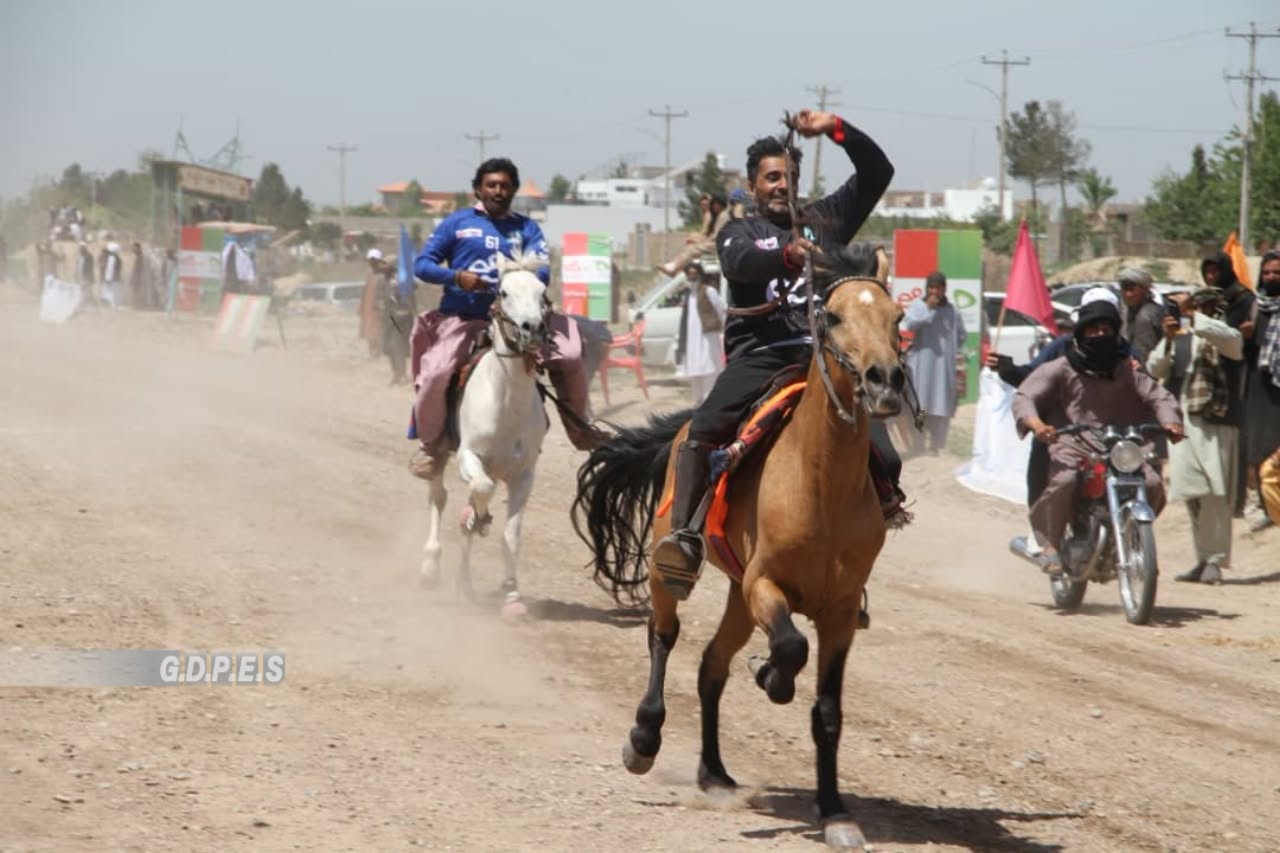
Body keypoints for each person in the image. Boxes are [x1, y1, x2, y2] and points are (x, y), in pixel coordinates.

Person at [652, 108, 896, 600]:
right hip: (760, 356)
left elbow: (878, 173)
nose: (782, 185)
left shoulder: (826, 221)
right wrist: (785, 254)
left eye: (789, 176)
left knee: (885, 454)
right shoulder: (737, 232)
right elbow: (740, 264)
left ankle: (857, 553)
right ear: (753, 183)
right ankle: (684, 539)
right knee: (701, 433)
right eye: (772, 177)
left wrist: (835, 128)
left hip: (822, 360)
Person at [409, 157, 607, 479]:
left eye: (504, 186)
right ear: (478, 189)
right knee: (437, 371)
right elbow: (423, 265)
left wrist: (517, 277)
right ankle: (431, 445)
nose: (498, 191)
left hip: (522, 316)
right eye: (491, 185)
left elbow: (542, 268)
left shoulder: (527, 228)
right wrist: (458, 277)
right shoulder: (457, 224)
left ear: (513, 190)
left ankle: (582, 429)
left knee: (570, 354)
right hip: (466, 317)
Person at [1012, 299, 1183, 571]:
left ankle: (1128, 535)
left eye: (1107, 329)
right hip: (1073, 443)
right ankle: (1049, 544)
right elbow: (1026, 395)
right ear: (1081, 333)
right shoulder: (1061, 367)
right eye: (1094, 329)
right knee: (1065, 479)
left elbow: (1158, 395)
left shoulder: (1127, 369)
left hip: (1120, 445)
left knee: (1151, 484)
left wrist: (1171, 422)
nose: (1101, 335)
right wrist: (1036, 424)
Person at [1147, 288, 1243, 584]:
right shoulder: (1183, 337)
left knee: (1215, 493)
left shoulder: (1226, 334)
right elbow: (1155, 367)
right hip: (1184, 423)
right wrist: (1169, 338)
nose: (1196, 310)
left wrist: (1193, 315)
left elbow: (1231, 343)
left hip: (1216, 422)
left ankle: (1215, 560)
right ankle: (1202, 559)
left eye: (1203, 305)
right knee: (1192, 493)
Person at [1200, 251, 1258, 517]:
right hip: (1213, 379)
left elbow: (1247, 338)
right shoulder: (1208, 302)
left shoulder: (1245, 299)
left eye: (1216, 271)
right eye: (1207, 272)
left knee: (1238, 443)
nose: (1211, 277)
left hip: (1239, 378)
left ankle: (1237, 500)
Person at [903, 270, 966, 455]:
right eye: (931, 288)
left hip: (944, 367)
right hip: (922, 365)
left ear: (944, 289)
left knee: (941, 406)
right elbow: (910, 325)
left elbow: (960, 335)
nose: (934, 292)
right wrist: (928, 309)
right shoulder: (918, 305)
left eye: (938, 288)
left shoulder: (952, 310)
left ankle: (936, 445)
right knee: (921, 404)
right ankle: (919, 443)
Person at [1242, 250, 1280, 531]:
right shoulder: (1256, 308)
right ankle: (1268, 508)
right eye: (1267, 273)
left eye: (1277, 273)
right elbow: (1244, 354)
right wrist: (1244, 337)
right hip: (1258, 388)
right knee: (1257, 451)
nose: (1271, 277)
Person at [674, 260, 727, 405]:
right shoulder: (687, 294)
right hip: (691, 340)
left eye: (694, 274)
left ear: (700, 275)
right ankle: (697, 405)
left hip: (707, 338)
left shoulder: (709, 291)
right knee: (695, 373)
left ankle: (709, 403)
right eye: (689, 274)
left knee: (709, 369)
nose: (692, 277)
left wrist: (721, 332)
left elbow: (721, 311)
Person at [657, 192, 730, 277]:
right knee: (691, 244)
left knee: (692, 249)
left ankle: (674, 268)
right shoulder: (719, 215)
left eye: (713, 204)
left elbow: (715, 235)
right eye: (703, 204)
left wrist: (703, 240)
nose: (714, 206)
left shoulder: (723, 216)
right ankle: (674, 266)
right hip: (716, 243)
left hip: (717, 245)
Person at [378, 254, 415, 385]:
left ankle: (402, 374)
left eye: (386, 264)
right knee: (388, 348)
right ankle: (396, 373)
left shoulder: (401, 280)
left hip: (400, 320)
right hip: (388, 319)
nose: (383, 267)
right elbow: (381, 298)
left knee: (397, 347)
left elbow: (409, 299)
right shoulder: (383, 280)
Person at [1117, 267, 1164, 362]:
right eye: (1124, 289)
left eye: (1132, 289)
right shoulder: (1123, 311)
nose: (1128, 294)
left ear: (1145, 290)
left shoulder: (1151, 313)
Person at [359, 249, 386, 358]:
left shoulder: (384, 273)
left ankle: (379, 351)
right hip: (369, 307)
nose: (371, 262)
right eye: (370, 260)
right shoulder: (369, 273)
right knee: (369, 330)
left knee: (380, 329)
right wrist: (361, 305)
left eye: (374, 260)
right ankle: (373, 351)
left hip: (381, 307)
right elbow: (365, 290)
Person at [99, 242, 124, 307]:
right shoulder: (117, 258)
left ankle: (112, 305)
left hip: (112, 280)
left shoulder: (112, 258)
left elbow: (110, 270)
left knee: (111, 293)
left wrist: (108, 279)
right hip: (115, 279)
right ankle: (113, 305)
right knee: (113, 293)